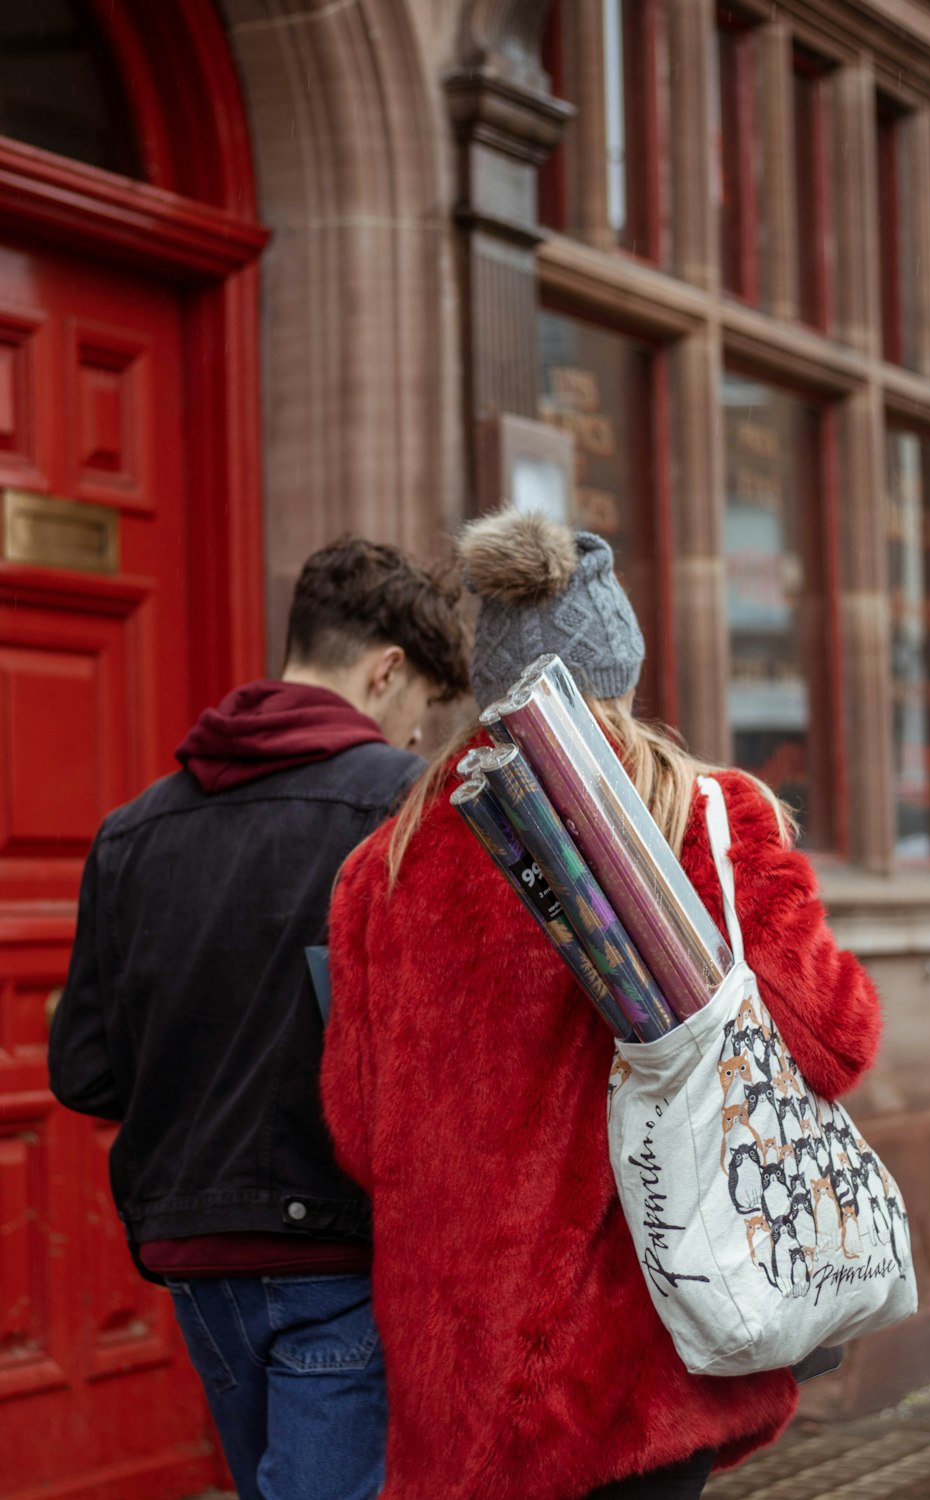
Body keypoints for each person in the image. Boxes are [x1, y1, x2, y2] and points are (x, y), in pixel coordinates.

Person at [320, 509, 882, 1500]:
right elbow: (833, 1043)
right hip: (637, 1354)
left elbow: (360, 1134)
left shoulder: (387, 862)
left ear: (491, 681)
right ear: (619, 664)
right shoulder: (702, 815)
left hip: (457, 1362)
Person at [48, 536, 468, 1500]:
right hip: (339, 1251)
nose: (415, 739)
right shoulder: (402, 808)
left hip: (196, 1257)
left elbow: (83, 1071)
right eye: (421, 715)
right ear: (387, 670)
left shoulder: (134, 828)